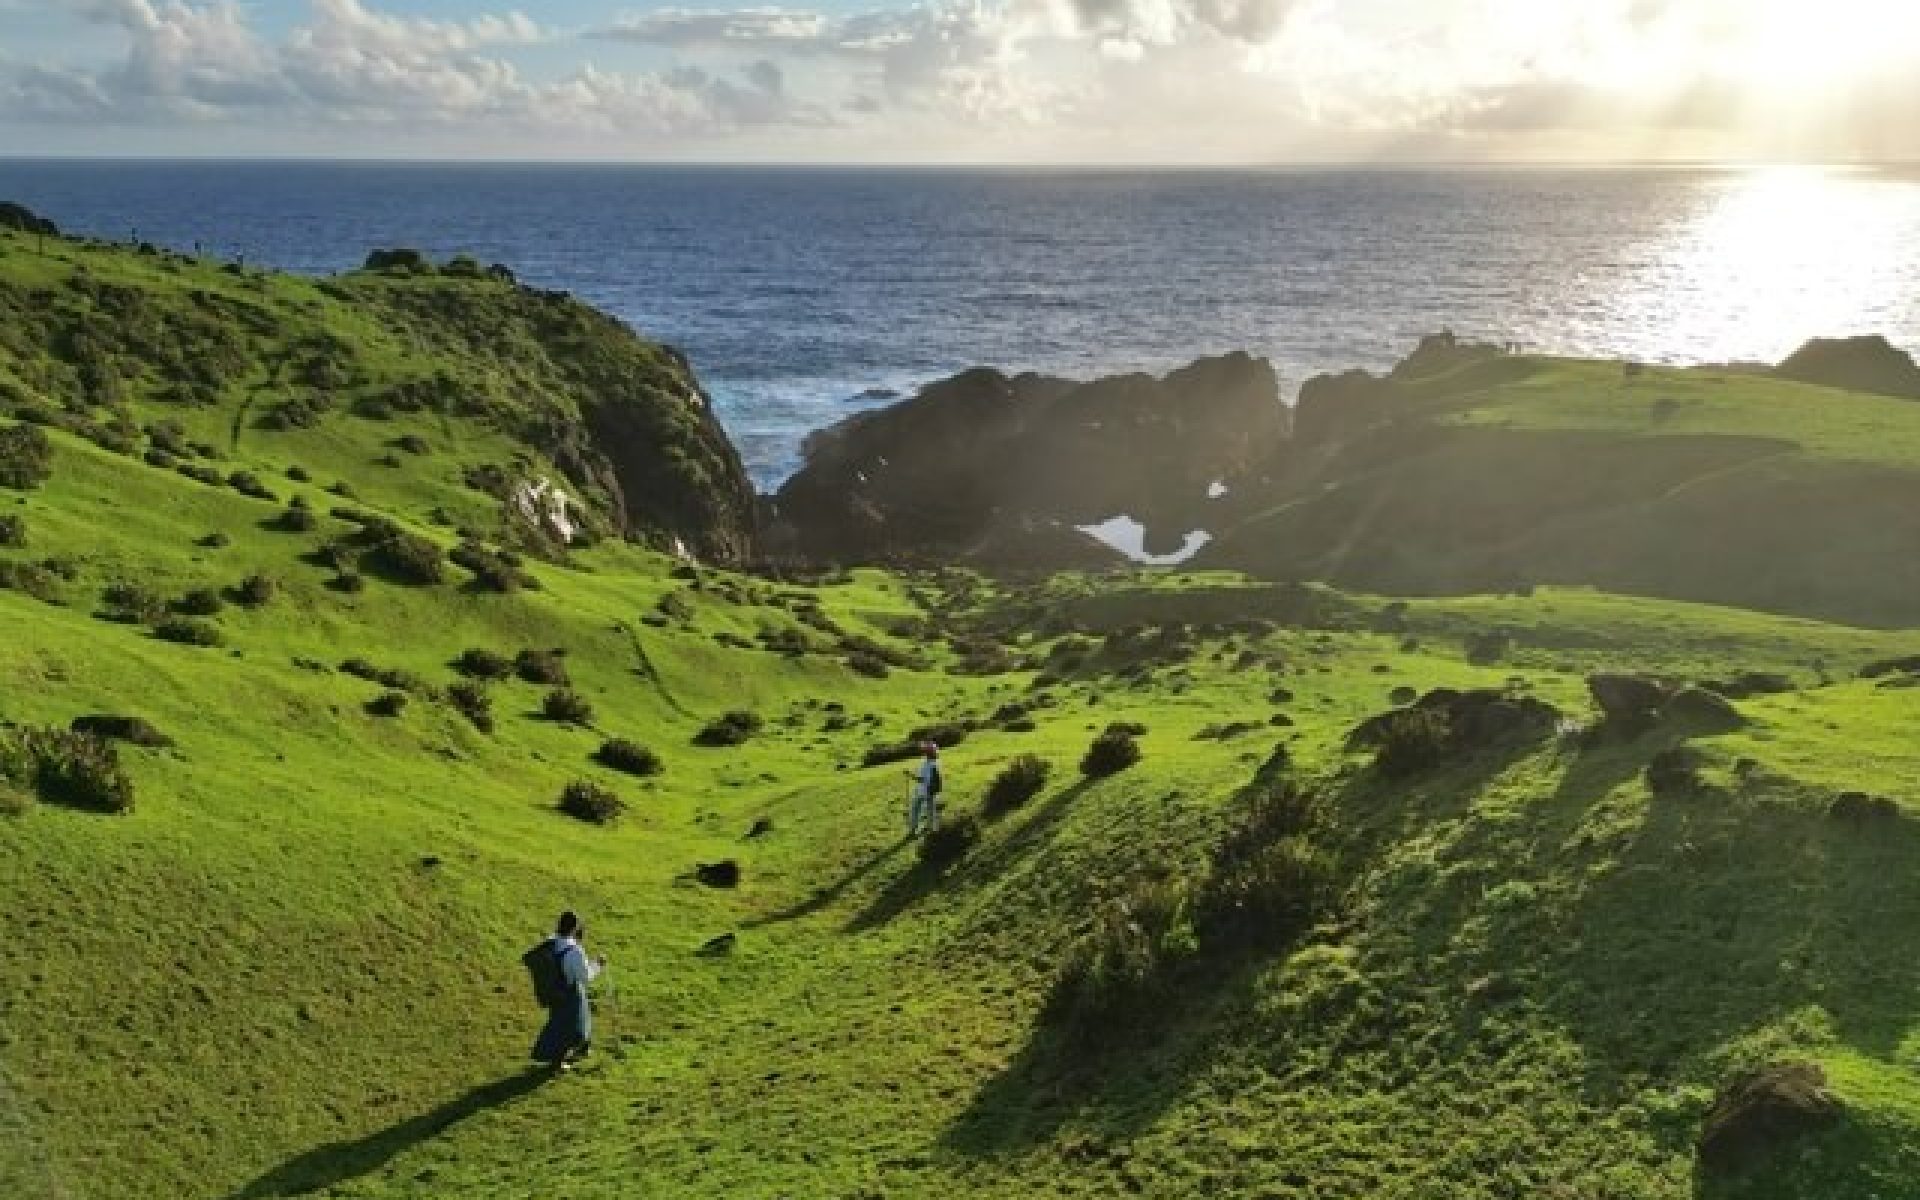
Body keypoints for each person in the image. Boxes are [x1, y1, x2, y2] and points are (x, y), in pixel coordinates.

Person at [531, 911, 604, 1071]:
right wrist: (598, 965)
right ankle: (558, 1062)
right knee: (570, 1028)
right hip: (570, 993)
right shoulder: (574, 952)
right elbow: (585, 976)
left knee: (562, 1024)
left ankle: (582, 1049)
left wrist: (576, 941)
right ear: (574, 929)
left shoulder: (551, 941)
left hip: (553, 991)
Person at [905, 741, 942, 836]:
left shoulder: (932, 765)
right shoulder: (926, 762)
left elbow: (924, 779)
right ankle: (920, 828)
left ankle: (927, 829)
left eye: (926, 751)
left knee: (921, 809)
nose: (924, 752)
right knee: (921, 809)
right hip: (922, 789)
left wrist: (911, 775)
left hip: (927, 790)